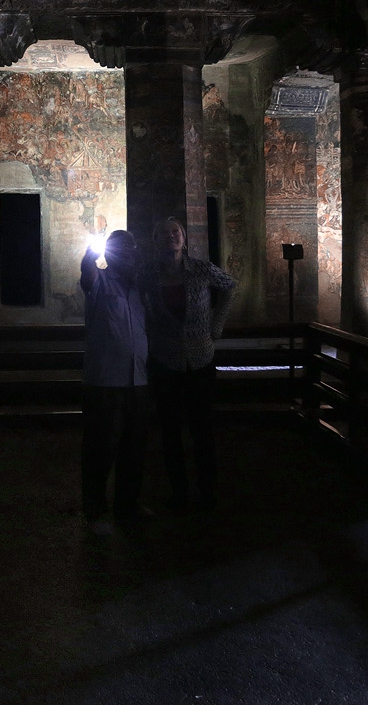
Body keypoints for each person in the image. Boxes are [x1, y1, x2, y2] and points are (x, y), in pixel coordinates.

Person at [142, 217, 237, 512]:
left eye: (176, 232)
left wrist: (216, 324)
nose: (170, 236)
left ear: (184, 239)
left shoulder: (200, 268)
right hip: (165, 360)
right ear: (155, 240)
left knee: (202, 429)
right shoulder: (148, 274)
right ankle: (179, 493)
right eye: (163, 233)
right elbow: (137, 301)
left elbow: (230, 286)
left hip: (200, 359)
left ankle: (207, 492)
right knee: (170, 431)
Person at [79, 229, 152, 536]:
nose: (128, 253)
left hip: (137, 380)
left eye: (131, 248)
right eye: (121, 248)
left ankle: (128, 504)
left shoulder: (139, 290)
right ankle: (95, 511)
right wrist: (91, 252)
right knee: (101, 447)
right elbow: (87, 272)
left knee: (133, 447)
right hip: (106, 381)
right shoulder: (99, 282)